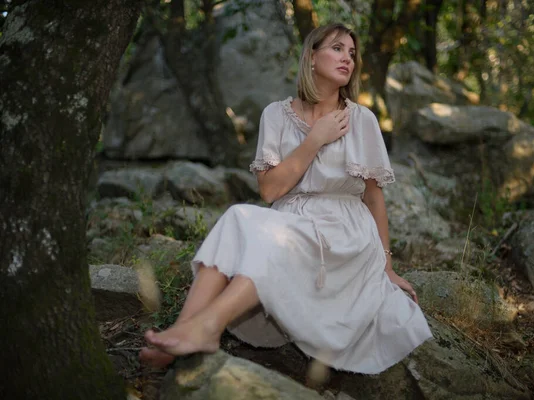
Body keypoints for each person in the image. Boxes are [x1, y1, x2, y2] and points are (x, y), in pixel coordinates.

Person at [141, 22, 432, 374]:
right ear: (311, 56)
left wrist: (387, 267)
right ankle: (181, 332)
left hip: (343, 233)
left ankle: (206, 327)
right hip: (289, 220)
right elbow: (270, 191)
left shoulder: (362, 119)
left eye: (352, 53)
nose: (348, 59)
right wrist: (314, 140)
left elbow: (373, 199)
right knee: (237, 217)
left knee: (273, 239)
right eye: (337, 48)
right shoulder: (276, 115)